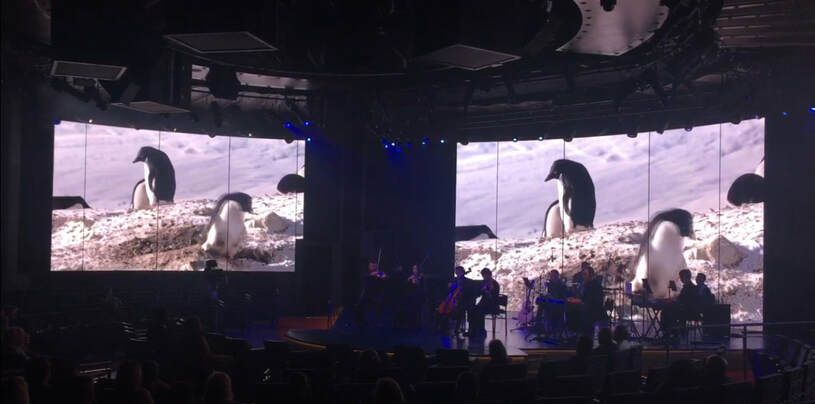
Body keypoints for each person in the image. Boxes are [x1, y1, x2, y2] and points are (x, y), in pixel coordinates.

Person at [661, 269, 700, 338]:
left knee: (666, 312)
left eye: (681, 277)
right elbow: (681, 299)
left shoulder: (690, 287)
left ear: (686, 277)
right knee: (667, 312)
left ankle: (671, 333)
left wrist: (673, 302)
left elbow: (684, 301)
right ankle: (673, 332)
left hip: (688, 312)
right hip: (686, 310)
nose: (681, 279)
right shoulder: (688, 286)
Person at [468, 268, 501, 338]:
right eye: (483, 276)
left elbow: (494, 298)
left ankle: (481, 331)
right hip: (483, 304)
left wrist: (488, 292)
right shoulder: (483, 283)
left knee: (479, 312)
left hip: (492, 305)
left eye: (486, 275)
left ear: (490, 275)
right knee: (471, 309)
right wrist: (480, 291)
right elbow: (479, 293)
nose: (485, 277)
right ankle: (472, 330)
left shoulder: (494, 284)